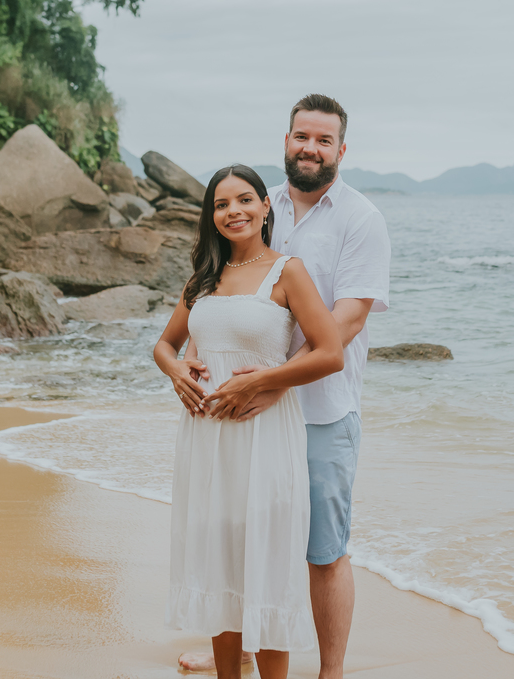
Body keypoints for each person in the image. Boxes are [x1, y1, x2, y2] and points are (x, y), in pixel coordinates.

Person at [174, 94, 392, 678]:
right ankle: (241, 646)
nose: (310, 148)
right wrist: (196, 355)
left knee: (322, 549)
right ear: (287, 140)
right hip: (246, 414)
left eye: (324, 140)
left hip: (322, 408)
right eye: (302, 136)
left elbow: (345, 321)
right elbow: (219, 298)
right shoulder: (256, 201)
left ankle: (330, 671)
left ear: (341, 150)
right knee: (242, 536)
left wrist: (272, 381)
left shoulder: (361, 220)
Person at [154, 163, 345, 679]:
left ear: (266, 207)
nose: (233, 211)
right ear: (211, 216)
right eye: (221, 204)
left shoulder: (289, 271)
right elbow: (164, 344)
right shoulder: (203, 279)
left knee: (267, 567)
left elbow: (330, 353)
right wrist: (175, 371)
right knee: (218, 565)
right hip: (206, 440)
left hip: (265, 437)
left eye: (244, 200)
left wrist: (259, 381)